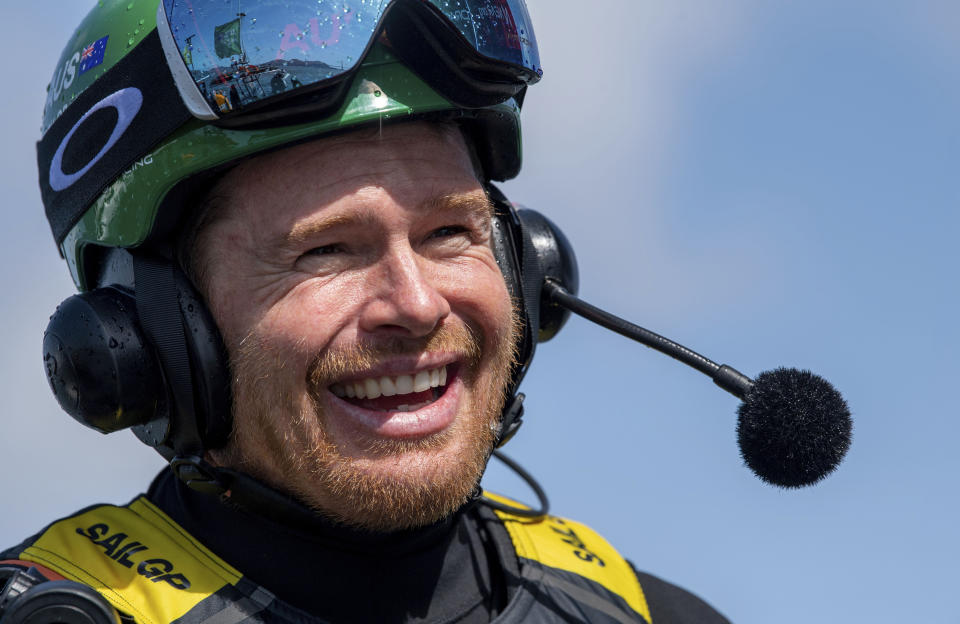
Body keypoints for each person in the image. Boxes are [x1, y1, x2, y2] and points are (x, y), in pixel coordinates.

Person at [1, 1, 730, 623]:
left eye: (449, 234)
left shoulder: (639, 609)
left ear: (529, 268)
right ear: (142, 335)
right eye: (324, 251)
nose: (415, 305)